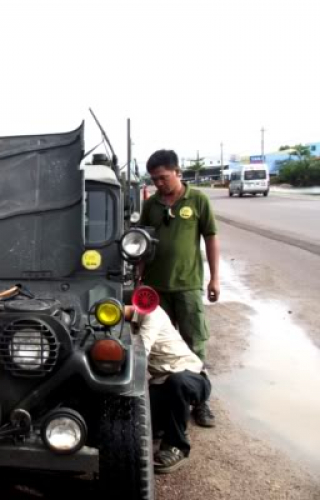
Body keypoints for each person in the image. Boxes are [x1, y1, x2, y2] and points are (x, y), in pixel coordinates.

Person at [140, 149, 219, 428]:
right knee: (164, 346)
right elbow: (141, 244)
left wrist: (214, 278)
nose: (158, 184)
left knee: (194, 341)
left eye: (162, 178)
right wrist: (139, 279)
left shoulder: (197, 200)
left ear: (177, 172)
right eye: (154, 179)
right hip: (155, 287)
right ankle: (166, 401)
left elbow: (210, 238)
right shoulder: (151, 206)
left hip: (187, 285)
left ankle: (201, 402)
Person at [126, 305, 211, 474]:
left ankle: (177, 446)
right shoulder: (127, 324)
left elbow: (140, 352)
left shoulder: (152, 313)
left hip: (191, 376)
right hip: (162, 382)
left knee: (176, 382)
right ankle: (166, 424)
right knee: (137, 424)